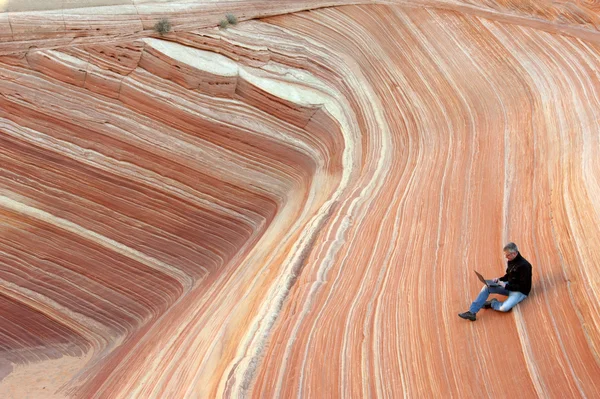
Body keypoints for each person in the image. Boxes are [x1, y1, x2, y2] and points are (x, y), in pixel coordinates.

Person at [458, 242, 532, 321]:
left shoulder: (525, 266)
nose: (506, 257)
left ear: (514, 253)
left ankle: (492, 303)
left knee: (504, 308)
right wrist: (499, 280)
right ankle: (472, 312)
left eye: (507, 255)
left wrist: (505, 286)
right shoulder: (511, 260)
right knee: (487, 287)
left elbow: (523, 286)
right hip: (509, 285)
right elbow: (508, 276)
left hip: (520, 292)